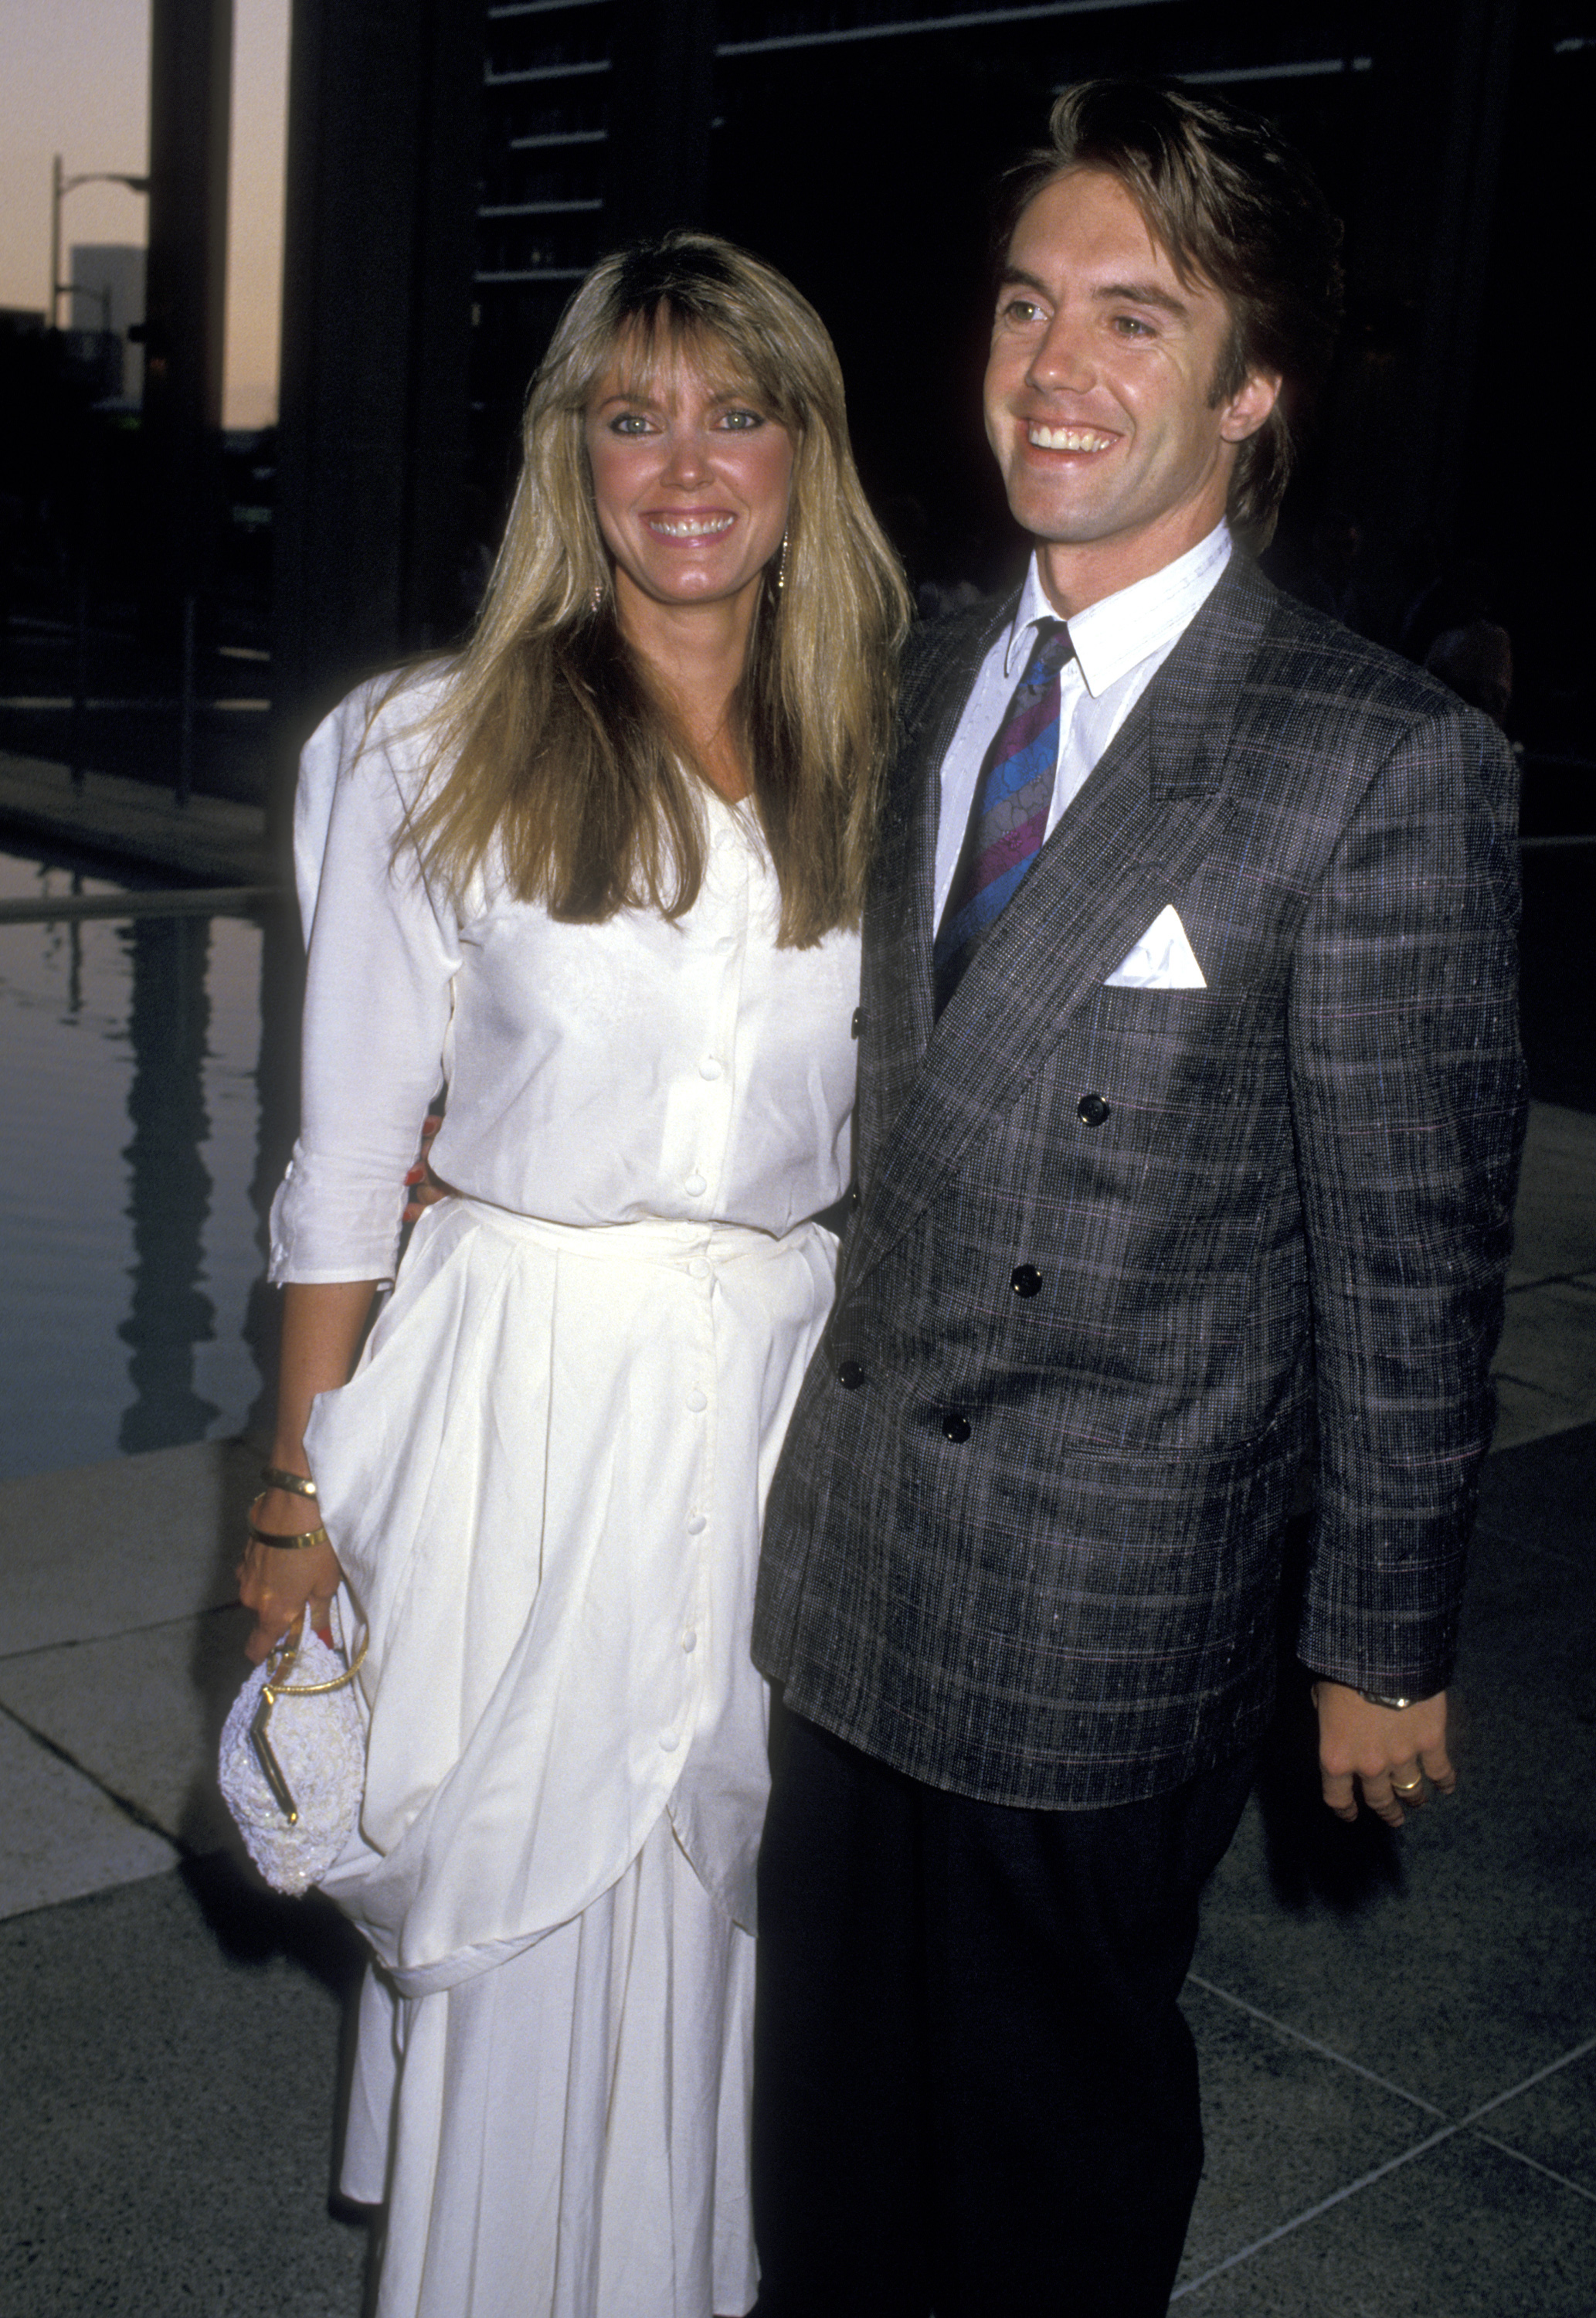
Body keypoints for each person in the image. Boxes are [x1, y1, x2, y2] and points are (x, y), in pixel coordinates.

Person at [748, 80, 1525, 2318]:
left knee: (1032, 2166)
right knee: (822, 2144)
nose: (1051, 372)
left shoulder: (1370, 760)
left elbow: (1411, 1251)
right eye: (1021, 309)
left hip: (1098, 1603)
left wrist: (1377, 1634)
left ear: (1249, 387)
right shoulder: (909, 679)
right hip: (849, 1565)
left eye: (1129, 319)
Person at [237, 229, 908, 2318]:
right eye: (633, 418)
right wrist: (293, 1492)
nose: (684, 462)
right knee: (526, 1883)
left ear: (805, 456)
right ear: (570, 459)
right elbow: (348, 1158)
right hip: (517, 1392)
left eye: (734, 412)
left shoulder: (898, 754)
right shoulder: (424, 751)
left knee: (726, 1895)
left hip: (785, 1401)